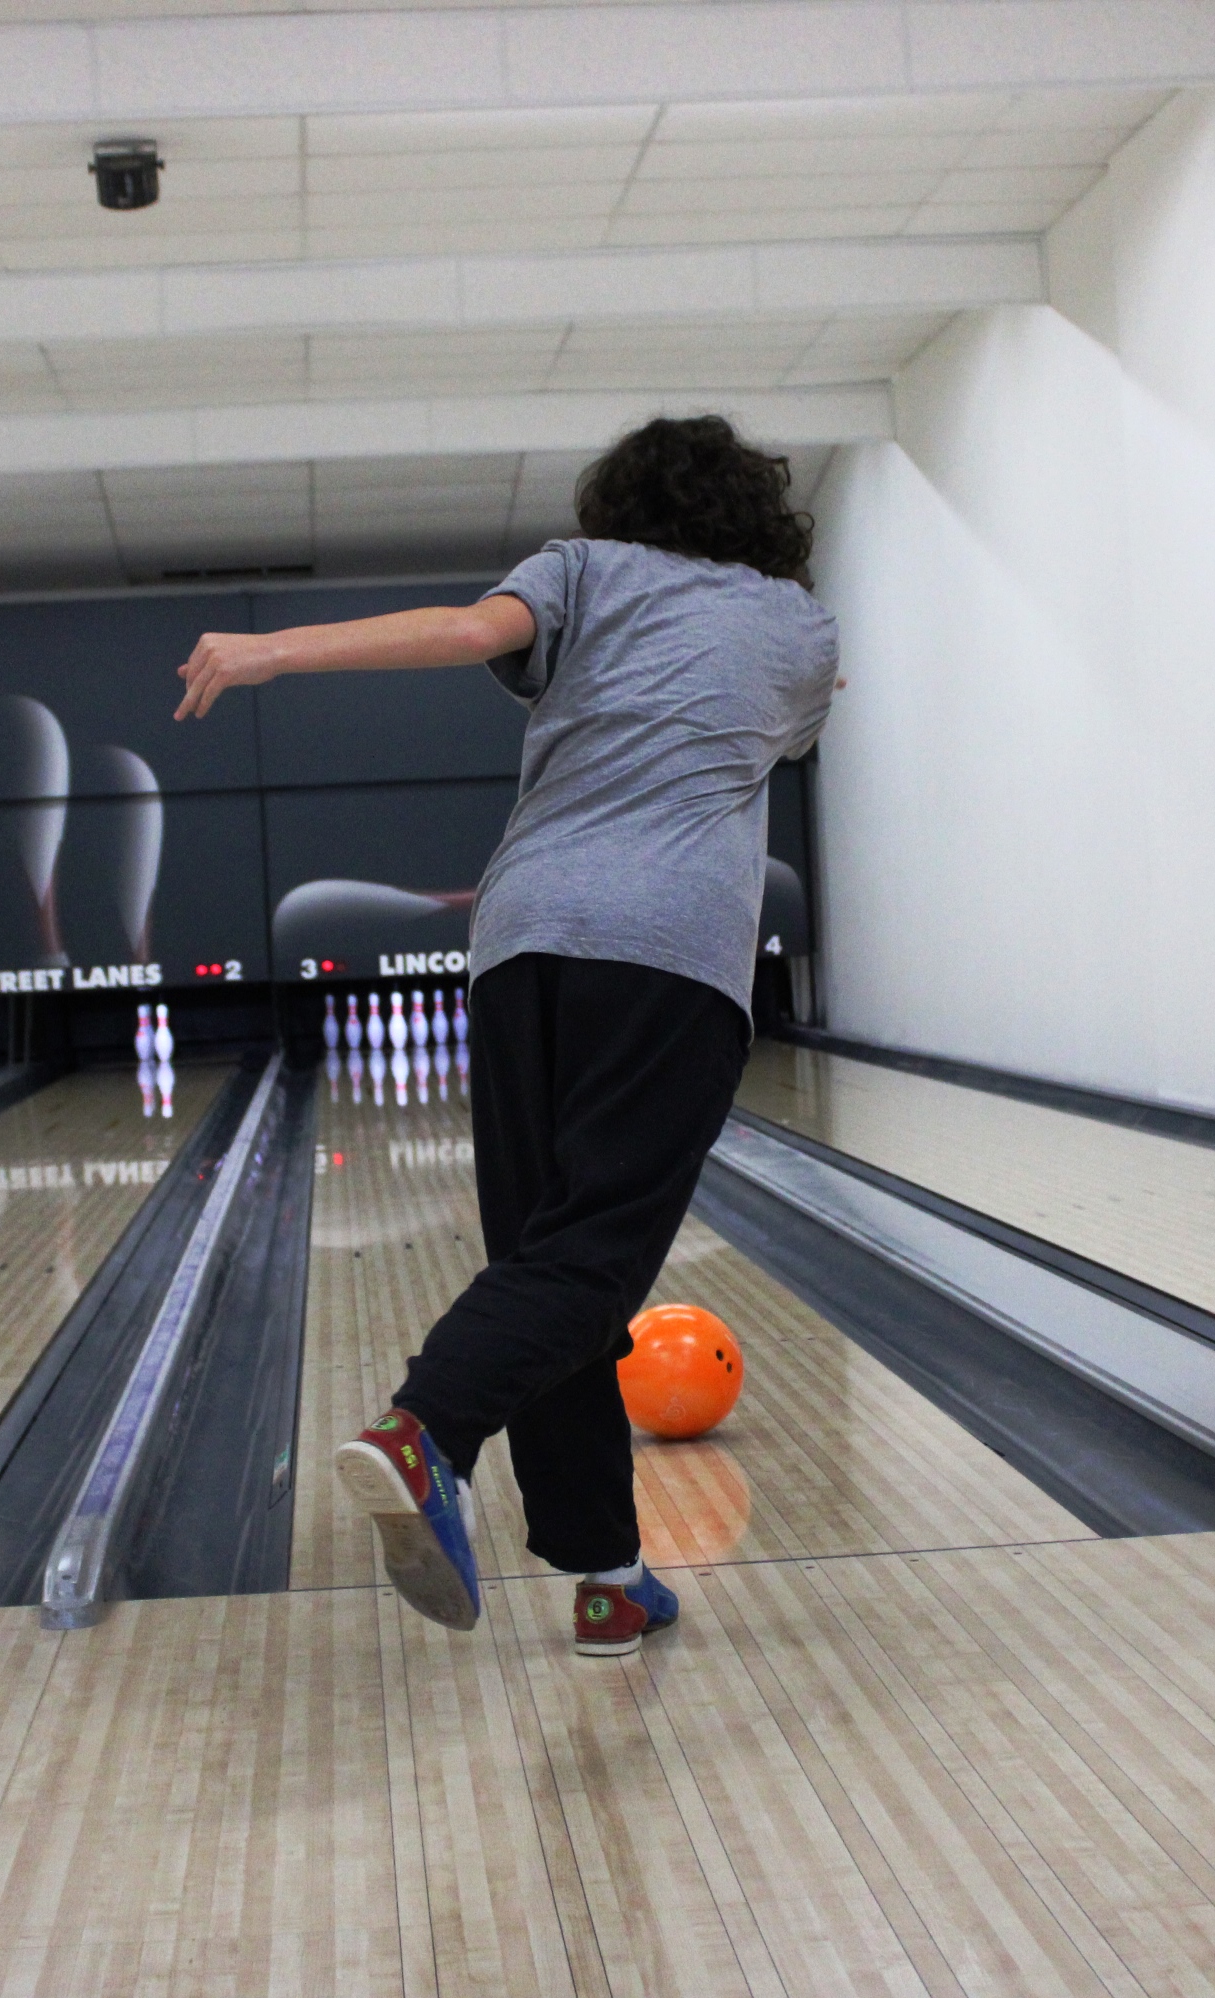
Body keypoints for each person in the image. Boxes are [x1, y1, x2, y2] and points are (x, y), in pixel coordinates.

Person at [174, 416, 838, 1656]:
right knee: (587, 1262)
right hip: (671, 956)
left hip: (522, 938)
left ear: (622, 502)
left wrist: (273, 649)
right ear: (762, 516)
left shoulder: (581, 569)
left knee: (544, 1256)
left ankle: (606, 1571)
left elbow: (472, 632)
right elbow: (786, 716)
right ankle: (425, 1429)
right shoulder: (800, 627)